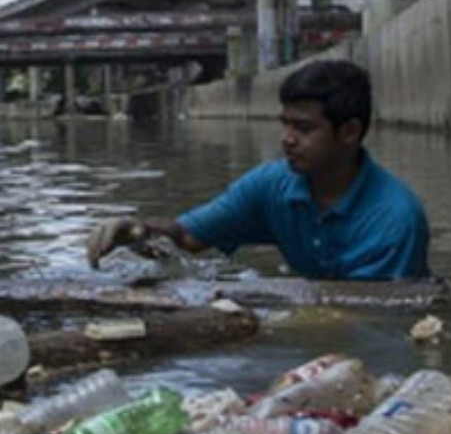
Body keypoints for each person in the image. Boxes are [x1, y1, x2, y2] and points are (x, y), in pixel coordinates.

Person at [86, 59, 430, 280]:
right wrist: (136, 231)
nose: (287, 140)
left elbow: (375, 321)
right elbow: (188, 236)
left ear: (349, 132)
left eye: (304, 128)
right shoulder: (272, 185)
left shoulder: (395, 219)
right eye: (286, 125)